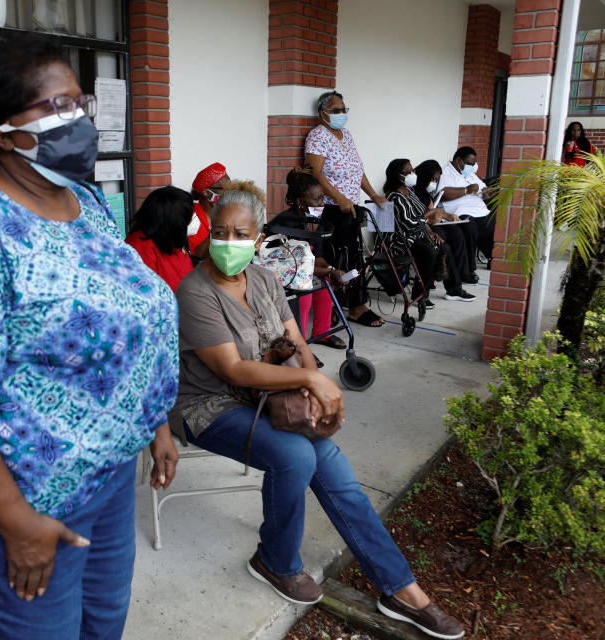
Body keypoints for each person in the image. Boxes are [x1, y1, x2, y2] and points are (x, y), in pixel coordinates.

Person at [0, 34, 180, 640]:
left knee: (104, 624)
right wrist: (17, 523)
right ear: (3, 132)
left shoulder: (83, 200)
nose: (79, 120)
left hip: (111, 477)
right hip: (30, 501)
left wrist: (155, 422)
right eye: (58, 108)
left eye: (80, 103)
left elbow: (131, 315)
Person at [172, 181, 465, 640]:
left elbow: (298, 343)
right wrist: (312, 381)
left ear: (258, 235)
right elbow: (235, 370)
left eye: (240, 233)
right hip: (209, 405)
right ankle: (275, 560)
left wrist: (312, 386)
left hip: (271, 398)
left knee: (329, 461)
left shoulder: (266, 278)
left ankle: (400, 588)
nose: (229, 243)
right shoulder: (195, 292)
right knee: (295, 456)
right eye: (221, 232)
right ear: (209, 231)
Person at [305, 90, 388, 328]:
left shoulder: (346, 135)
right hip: (330, 207)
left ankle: (353, 305)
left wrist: (373, 195)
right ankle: (344, 306)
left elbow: (357, 169)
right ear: (323, 114)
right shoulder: (317, 136)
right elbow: (314, 173)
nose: (341, 114)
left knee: (353, 255)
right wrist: (339, 198)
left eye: (344, 110)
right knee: (335, 258)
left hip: (350, 207)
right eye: (336, 110)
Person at [270, 167, 348, 349]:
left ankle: (321, 333)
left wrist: (330, 272)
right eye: (317, 199)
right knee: (304, 291)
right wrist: (329, 270)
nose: (322, 204)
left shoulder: (314, 222)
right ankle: (299, 344)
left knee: (325, 283)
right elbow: (294, 265)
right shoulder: (287, 223)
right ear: (300, 202)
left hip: (302, 270)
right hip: (284, 273)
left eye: (322, 198)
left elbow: (318, 257)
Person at [383, 159, 475, 303]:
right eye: (409, 172)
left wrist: (431, 233)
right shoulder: (394, 196)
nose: (413, 174)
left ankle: (454, 290)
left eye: (412, 171)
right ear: (398, 176)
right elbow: (409, 223)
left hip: (418, 235)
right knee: (430, 252)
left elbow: (421, 216)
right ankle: (420, 295)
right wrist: (428, 218)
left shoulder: (410, 193)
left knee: (444, 247)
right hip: (402, 240)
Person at [412, 160, 476, 289]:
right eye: (433, 180)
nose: (434, 183)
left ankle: (463, 273)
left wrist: (446, 216)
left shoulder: (425, 192)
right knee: (442, 241)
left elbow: (433, 209)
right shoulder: (411, 192)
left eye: (436, 180)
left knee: (457, 233)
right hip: (422, 228)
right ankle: (441, 281)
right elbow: (418, 218)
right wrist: (432, 220)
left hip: (432, 225)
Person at [436, 146, 496, 272]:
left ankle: (493, 259)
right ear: (458, 160)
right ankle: (469, 268)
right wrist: (466, 190)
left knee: (494, 223)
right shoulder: (445, 172)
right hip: (459, 212)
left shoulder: (470, 174)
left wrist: (487, 192)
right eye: (469, 163)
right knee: (470, 228)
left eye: (473, 164)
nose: (471, 167)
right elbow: (442, 193)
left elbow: (483, 189)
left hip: (480, 210)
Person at [125, 185, 195, 292]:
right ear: (175, 222)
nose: (190, 223)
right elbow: (147, 294)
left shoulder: (171, 238)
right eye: (188, 219)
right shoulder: (140, 247)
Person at [188, 162, 230, 258]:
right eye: (224, 189)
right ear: (205, 192)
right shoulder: (191, 218)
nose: (228, 193)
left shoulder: (226, 215)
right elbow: (194, 255)